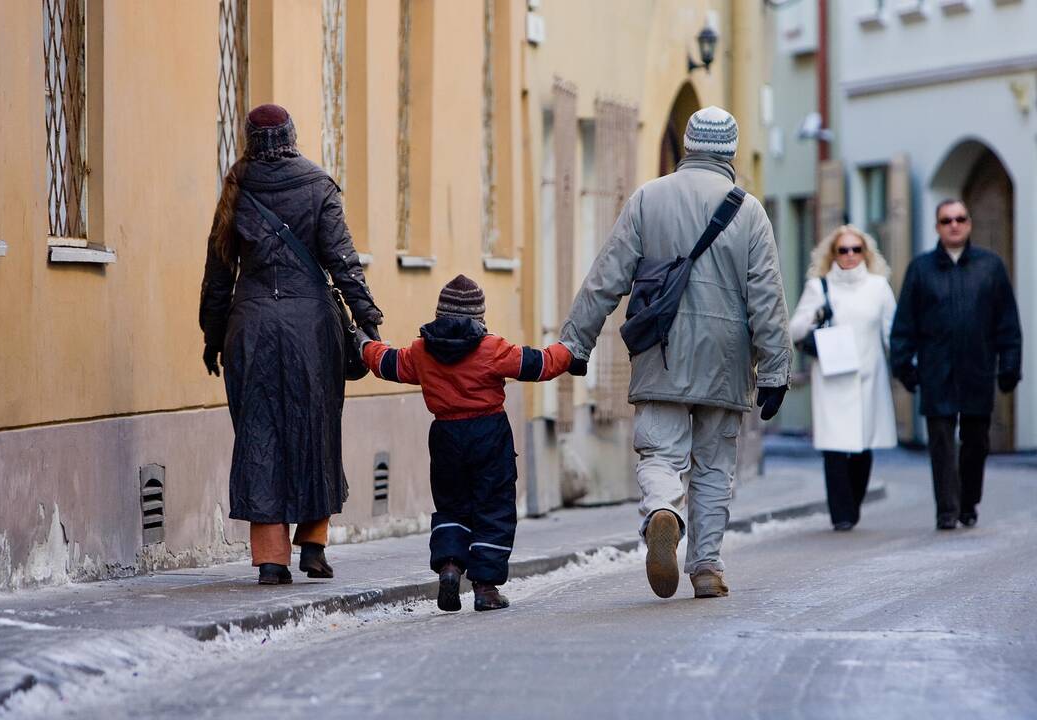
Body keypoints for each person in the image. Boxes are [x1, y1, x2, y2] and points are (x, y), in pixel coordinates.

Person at [559, 106, 791, 599]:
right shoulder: (748, 211)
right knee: (713, 467)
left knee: (660, 452)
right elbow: (767, 298)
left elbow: (606, 278)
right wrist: (775, 371)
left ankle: (664, 509)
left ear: (687, 146)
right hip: (727, 360)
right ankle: (706, 567)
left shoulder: (648, 199)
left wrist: (575, 343)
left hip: (659, 351)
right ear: (730, 152)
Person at [199, 104, 384, 584]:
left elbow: (219, 273)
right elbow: (343, 262)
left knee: (260, 433)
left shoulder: (237, 186)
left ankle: (271, 559)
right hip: (311, 330)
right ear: (291, 136)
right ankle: (315, 546)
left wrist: (211, 335)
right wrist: (368, 319)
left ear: (249, 139)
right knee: (316, 428)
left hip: (252, 327)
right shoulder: (318, 185)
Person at [359, 275, 581, 611]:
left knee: (451, 505)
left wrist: (363, 344)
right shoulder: (492, 348)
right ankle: (486, 588)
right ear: (479, 315)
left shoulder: (421, 350)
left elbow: (388, 364)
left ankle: (449, 565)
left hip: (445, 435)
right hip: (488, 432)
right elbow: (538, 365)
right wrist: (570, 349)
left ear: (439, 312)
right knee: (494, 506)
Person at [891, 199, 1022, 530]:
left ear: (969, 224)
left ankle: (968, 503)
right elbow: (904, 323)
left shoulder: (990, 267)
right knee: (941, 443)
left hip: (978, 368)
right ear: (937, 227)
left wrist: (1009, 365)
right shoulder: (921, 269)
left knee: (976, 442)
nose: (954, 224)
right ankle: (947, 510)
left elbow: (1007, 322)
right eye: (946, 219)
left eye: (960, 218)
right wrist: (904, 365)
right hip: (937, 370)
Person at [790, 226, 897, 531]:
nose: (849, 256)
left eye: (855, 249)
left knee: (863, 446)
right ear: (832, 254)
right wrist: (815, 315)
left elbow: (891, 331)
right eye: (843, 250)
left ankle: (854, 503)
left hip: (868, 375)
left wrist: (904, 365)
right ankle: (842, 515)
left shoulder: (879, 287)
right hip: (832, 375)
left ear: (866, 253)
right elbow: (794, 330)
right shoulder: (818, 286)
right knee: (835, 447)